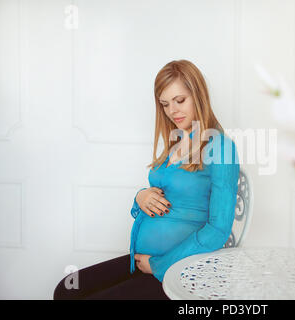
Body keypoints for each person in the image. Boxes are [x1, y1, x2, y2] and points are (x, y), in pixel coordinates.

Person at [53, 59, 240, 300]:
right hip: (144, 262)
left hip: (180, 270)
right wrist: (140, 196)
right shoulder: (176, 142)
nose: (172, 111)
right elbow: (163, 194)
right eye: (165, 104)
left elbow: (218, 230)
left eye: (179, 100)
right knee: (67, 290)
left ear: (198, 95)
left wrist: (160, 264)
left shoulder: (222, 148)